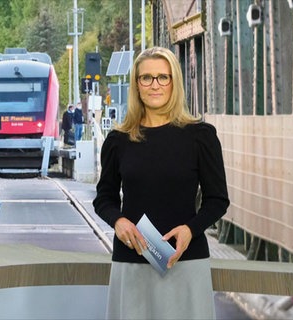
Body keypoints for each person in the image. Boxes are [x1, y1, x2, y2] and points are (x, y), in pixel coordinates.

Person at [92, 47, 229, 319]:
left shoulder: (201, 137)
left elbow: (217, 200)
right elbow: (104, 198)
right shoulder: (118, 140)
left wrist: (190, 229)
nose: (155, 85)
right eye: (146, 78)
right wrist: (119, 222)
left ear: (174, 82)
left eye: (163, 78)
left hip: (186, 262)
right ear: (137, 85)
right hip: (132, 261)